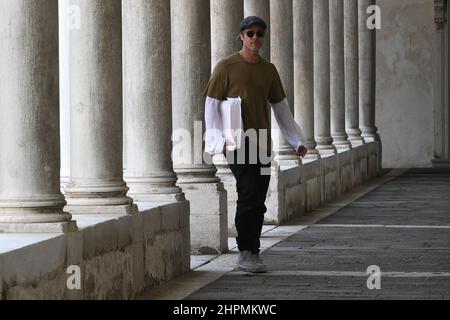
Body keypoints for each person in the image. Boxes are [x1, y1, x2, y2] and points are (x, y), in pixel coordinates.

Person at [204, 16, 308, 273]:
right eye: (250, 33)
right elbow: (211, 105)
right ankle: (246, 251)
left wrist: (297, 141)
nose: (255, 38)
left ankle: (252, 251)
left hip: (262, 143)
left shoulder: (269, 70)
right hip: (237, 143)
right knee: (248, 193)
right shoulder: (226, 67)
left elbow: (281, 108)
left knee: (259, 198)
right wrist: (218, 142)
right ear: (241, 36)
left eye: (259, 33)